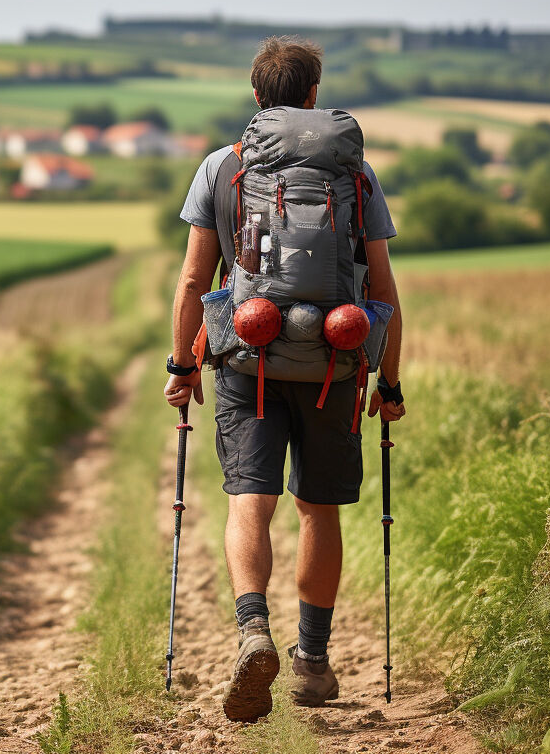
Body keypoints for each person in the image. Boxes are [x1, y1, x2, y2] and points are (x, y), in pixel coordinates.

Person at [163, 36, 405, 723]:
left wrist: (183, 363)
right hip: (335, 358)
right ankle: (313, 664)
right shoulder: (355, 174)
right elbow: (383, 287)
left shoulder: (223, 167)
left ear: (257, 95)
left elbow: (193, 280)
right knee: (317, 508)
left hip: (248, 358)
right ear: (313, 95)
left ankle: (252, 633)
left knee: (250, 499)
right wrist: (388, 382)